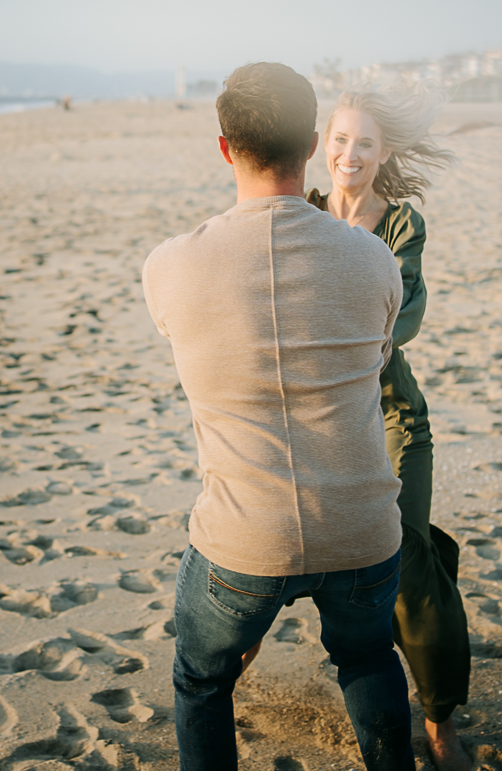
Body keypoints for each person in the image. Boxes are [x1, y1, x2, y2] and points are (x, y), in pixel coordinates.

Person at [142, 62, 415, 773]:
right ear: (314, 144)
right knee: (366, 655)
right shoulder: (374, 259)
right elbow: (381, 351)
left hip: (243, 538)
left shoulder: (169, 265)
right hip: (360, 524)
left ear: (226, 149)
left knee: (202, 679)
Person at [306, 87, 473, 771]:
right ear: (322, 143)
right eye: (340, 139)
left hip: (390, 418)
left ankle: (438, 717)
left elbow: (399, 320)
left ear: (385, 153)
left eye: (365, 143)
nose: (350, 154)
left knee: (402, 561)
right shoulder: (299, 214)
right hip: (316, 421)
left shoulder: (401, 225)